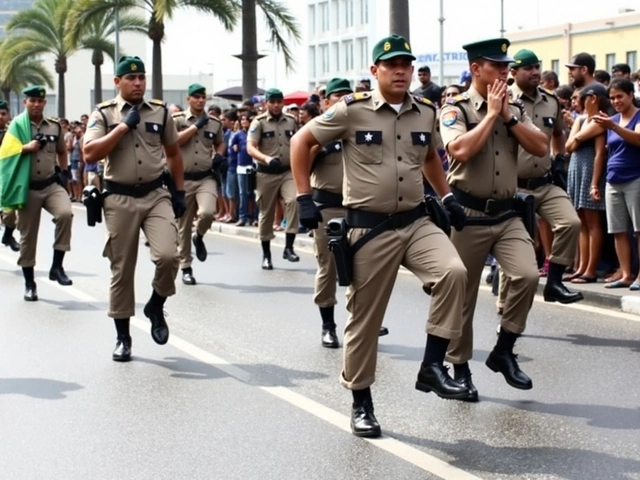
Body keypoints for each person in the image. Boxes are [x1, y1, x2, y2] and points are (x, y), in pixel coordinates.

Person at [291, 35, 472, 438]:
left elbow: (428, 157)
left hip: (415, 220)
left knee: (454, 273)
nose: (402, 70)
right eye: (392, 65)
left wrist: (446, 195)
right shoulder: (351, 111)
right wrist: (304, 198)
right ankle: (361, 401)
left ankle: (431, 366)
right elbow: (300, 141)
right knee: (365, 321)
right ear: (375, 71)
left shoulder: (424, 111)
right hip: (369, 227)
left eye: (406, 64)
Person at [440, 38, 548, 399]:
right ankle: (460, 367)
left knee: (527, 274)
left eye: (507, 67)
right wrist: (489, 115)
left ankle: (504, 349)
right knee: (463, 298)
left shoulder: (514, 107)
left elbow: (541, 148)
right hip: (467, 215)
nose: (505, 72)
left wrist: (508, 116)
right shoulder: (455, 108)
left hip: (506, 214)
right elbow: (459, 150)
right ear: (476, 69)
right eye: (497, 66)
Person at [83, 56, 186, 362]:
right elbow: (90, 152)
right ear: (117, 82)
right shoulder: (103, 114)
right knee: (122, 269)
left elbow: (173, 153)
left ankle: (156, 303)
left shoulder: (161, 111)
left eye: (141, 77)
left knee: (169, 256)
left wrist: (179, 192)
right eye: (131, 78)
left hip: (156, 194)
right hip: (119, 198)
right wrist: (121, 129)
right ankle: (123, 337)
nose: (138, 83)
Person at [307, 77, 389, 348]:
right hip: (327, 208)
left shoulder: (362, 128)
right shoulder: (317, 131)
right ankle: (327, 325)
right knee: (328, 267)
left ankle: (364, 319)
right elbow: (300, 164)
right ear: (326, 101)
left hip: (359, 208)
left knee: (365, 266)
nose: (342, 98)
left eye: (346, 94)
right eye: (336, 95)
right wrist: (317, 148)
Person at [497, 49, 583, 307]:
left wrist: (559, 157)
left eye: (537, 67)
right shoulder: (504, 100)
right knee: (515, 250)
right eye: (527, 68)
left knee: (570, 223)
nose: (535, 72)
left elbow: (558, 133)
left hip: (545, 182)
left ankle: (554, 282)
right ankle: (504, 305)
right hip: (514, 188)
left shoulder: (551, 100)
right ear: (513, 72)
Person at [17, 86, 73, 301]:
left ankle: (57, 266)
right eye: (33, 101)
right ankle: (30, 283)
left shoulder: (54, 127)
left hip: (50, 184)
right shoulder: (16, 126)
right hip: (27, 187)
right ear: (25, 102)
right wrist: (26, 147)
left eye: (40, 101)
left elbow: (61, 150)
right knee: (27, 238)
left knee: (66, 214)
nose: (37, 104)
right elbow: (5, 151)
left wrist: (65, 172)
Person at [172, 83, 225, 285]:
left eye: (203, 97)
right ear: (188, 99)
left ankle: (199, 235)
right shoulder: (177, 120)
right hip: (182, 178)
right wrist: (195, 126)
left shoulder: (214, 122)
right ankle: (186, 266)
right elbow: (173, 142)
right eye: (196, 97)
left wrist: (219, 154)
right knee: (182, 225)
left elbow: (220, 142)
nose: (200, 100)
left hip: (205, 177)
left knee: (208, 213)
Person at [247, 88, 300, 269]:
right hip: (266, 173)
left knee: (293, 200)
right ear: (266, 103)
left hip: (287, 171)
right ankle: (266, 254)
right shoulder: (258, 123)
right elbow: (251, 147)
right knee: (266, 213)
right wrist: (266, 158)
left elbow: (298, 143)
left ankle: (289, 247)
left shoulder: (292, 121)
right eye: (273, 102)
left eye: (279, 102)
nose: (276, 105)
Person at [0, 100, 19, 251]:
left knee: (10, 213)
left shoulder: (14, 133)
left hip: (8, 178)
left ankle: (8, 234)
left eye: (3, 114)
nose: (0, 116)